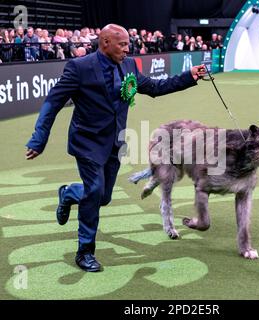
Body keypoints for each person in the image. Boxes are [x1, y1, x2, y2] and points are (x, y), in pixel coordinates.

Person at [25, 24, 206, 272]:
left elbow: (154, 88)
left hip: (114, 143)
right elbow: (52, 102)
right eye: (122, 44)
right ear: (105, 43)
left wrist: (190, 76)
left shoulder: (128, 65)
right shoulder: (79, 68)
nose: (127, 48)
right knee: (95, 190)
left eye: (128, 44)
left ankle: (68, 193)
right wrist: (38, 138)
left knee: (103, 197)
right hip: (86, 142)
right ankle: (85, 252)